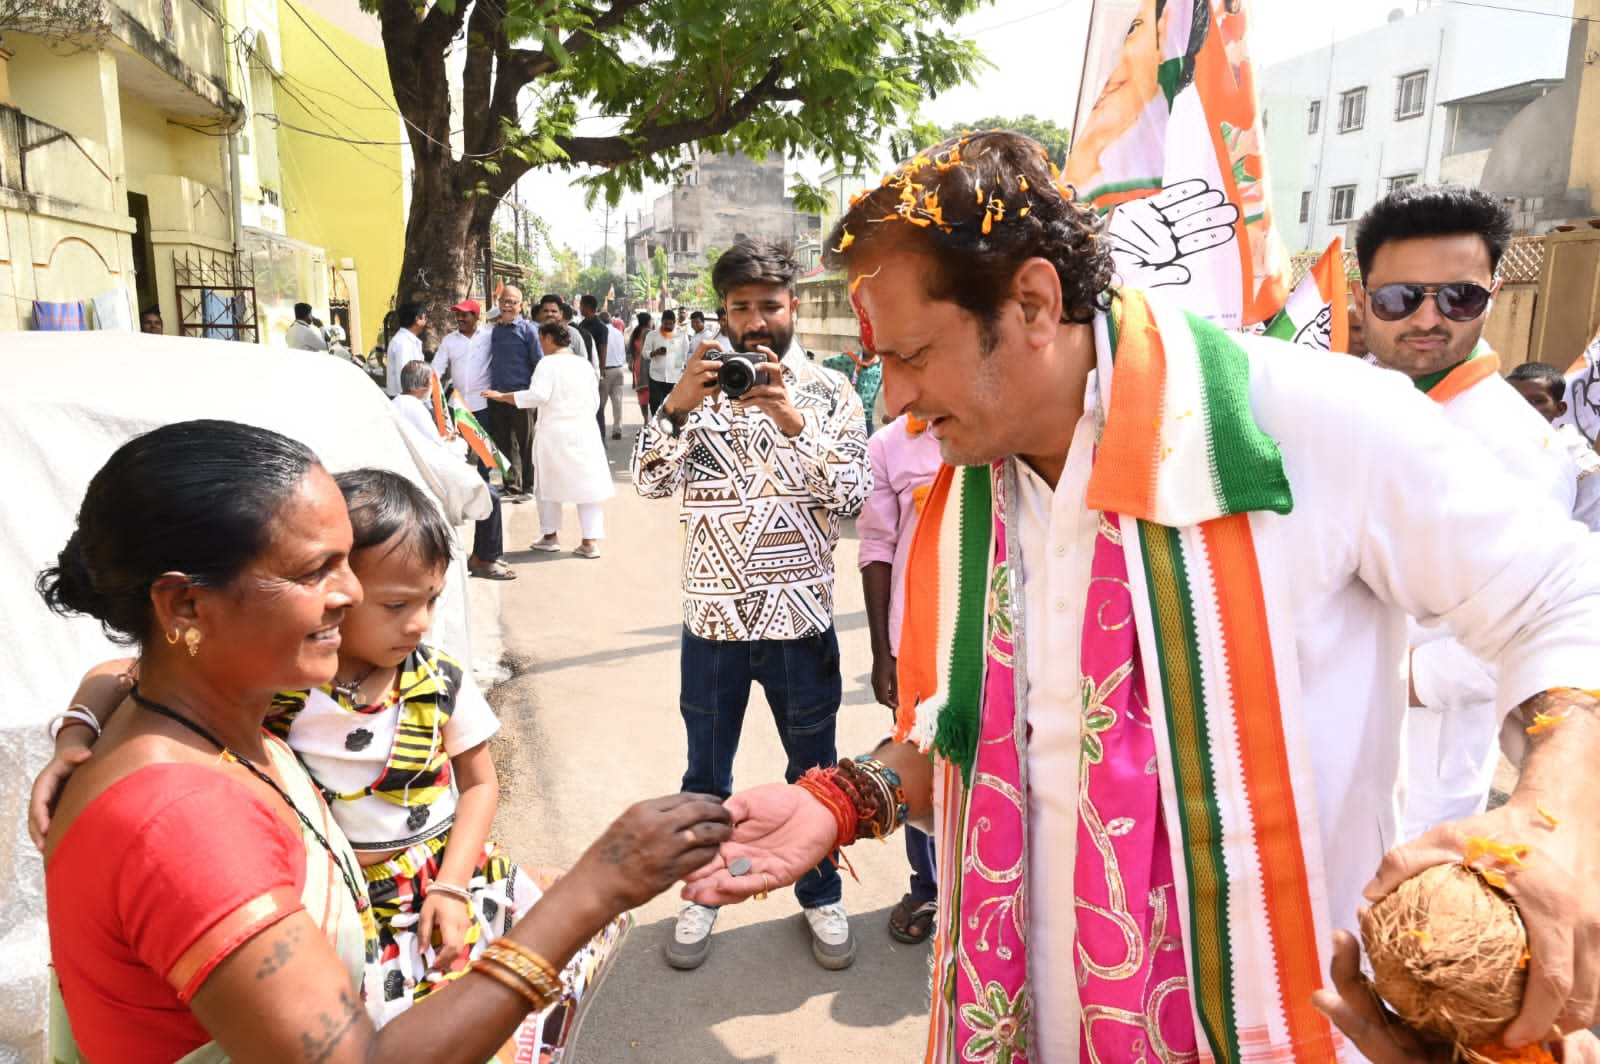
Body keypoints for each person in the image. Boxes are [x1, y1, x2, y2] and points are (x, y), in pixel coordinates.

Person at [680, 131, 1600, 1063]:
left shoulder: (1315, 421)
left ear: (1034, 303)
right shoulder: (974, 491)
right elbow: (996, 736)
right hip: (1021, 1023)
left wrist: (1549, 821)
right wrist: (842, 802)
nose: (898, 403)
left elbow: (1567, 602)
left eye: (914, 355)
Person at [33, 418, 731, 1063]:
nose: (350, 594)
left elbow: (117, 671)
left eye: (347, 563)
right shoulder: (183, 825)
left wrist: (78, 724)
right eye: (315, 572)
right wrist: (597, 886)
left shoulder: (193, 705)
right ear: (185, 604)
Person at [632, 238, 871, 972]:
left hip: (799, 620)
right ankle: (705, 890)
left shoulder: (830, 393)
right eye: (741, 308)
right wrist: (673, 410)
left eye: (769, 306)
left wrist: (793, 424)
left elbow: (855, 496)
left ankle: (820, 892)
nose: (756, 322)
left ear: (793, 305)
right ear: (724, 313)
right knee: (705, 774)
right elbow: (646, 484)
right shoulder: (696, 390)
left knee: (816, 771)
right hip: (713, 621)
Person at [1353, 184, 1581, 842]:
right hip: (1323, 747)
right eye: (1400, 298)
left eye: (1459, 297)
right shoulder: (1355, 403)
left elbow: (1525, 628)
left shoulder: (1515, 445)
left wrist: (1390, 680)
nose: (1428, 319)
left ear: (1494, 294)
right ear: (1364, 297)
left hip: (1417, 775)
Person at [855, 412, 943, 944]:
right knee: (920, 767)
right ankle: (928, 885)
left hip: (1000, 631)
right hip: (915, 641)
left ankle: (991, 889)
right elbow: (877, 545)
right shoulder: (890, 444)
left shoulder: (1005, 421)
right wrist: (882, 653)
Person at [484, 321, 614, 560]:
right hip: (584, 429)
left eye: (541, 339)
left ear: (549, 338)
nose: (540, 344)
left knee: (547, 486)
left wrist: (503, 397)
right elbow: (594, 401)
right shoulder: (583, 365)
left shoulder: (548, 363)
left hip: (555, 432)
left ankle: (550, 536)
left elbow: (538, 395)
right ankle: (589, 541)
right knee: (588, 488)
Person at [487, 287, 540, 499]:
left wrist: (533, 393)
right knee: (503, 444)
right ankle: (512, 484)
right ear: (498, 304)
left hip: (522, 397)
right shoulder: (495, 331)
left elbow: (538, 362)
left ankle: (529, 486)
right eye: (504, 301)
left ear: (520, 305)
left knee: (526, 443)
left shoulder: (528, 330)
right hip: (497, 396)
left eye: (512, 301)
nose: (507, 305)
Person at [577, 294, 616, 437]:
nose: (579, 308)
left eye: (581, 305)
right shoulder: (581, 325)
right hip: (582, 371)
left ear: (587, 307)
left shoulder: (600, 327)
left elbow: (603, 350)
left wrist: (601, 374)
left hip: (594, 372)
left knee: (597, 406)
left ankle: (601, 437)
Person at [822, 349, 883, 434]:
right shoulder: (849, 359)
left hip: (866, 419)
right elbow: (826, 363)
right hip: (846, 416)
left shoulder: (881, 366)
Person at [643, 310, 687, 415]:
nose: (668, 326)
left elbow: (683, 354)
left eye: (670, 324)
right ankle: (655, 425)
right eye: (665, 323)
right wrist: (655, 353)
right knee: (655, 403)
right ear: (662, 322)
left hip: (674, 377)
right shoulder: (652, 335)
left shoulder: (681, 335)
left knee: (672, 406)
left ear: (674, 322)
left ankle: (669, 427)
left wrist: (678, 369)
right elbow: (645, 353)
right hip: (656, 376)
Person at [597, 309, 628, 439]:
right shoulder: (618, 333)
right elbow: (623, 351)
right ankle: (617, 429)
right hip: (619, 369)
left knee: (600, 403)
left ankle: (600, 429)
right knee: (617, 402)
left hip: (606, 370)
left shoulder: (601, 332)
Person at [385, 302, 427, 398]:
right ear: (417, 319)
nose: (426, 322)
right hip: (404, 398)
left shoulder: (409, 340)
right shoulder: (402, 343)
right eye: (424, 318)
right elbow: (404, 376)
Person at [629, 311, 653, 423]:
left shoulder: (635, 332)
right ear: (648, 321)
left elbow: (631, 349)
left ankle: (645, 419)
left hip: (638, 363)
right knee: (652, 391)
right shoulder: (649, 333)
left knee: (642, 393)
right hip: (648, 363)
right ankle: (653, 417)